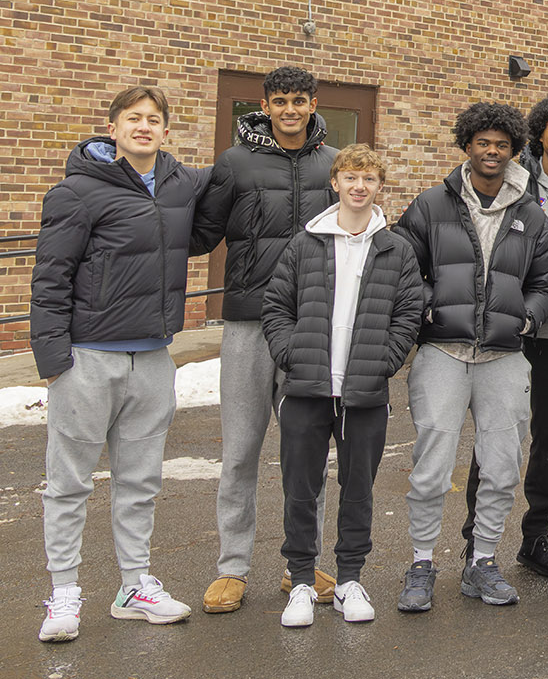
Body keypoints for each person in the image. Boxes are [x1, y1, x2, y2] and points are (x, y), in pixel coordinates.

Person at [33, 86, 206, 642]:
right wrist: (54, 358)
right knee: (69, 483)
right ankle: (63, 593)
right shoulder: (78, 191)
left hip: (154, 357)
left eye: (154, 119)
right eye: (133, 118)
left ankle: (134, 586)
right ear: (112, 127)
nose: (144, 126)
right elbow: (50, 275)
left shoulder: (180, 185)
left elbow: (231, 186)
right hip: (88, 358)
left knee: (139, 480)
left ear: (165, 130)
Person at [393, 103, 548, 612]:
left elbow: (545, 281)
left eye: (502, 145)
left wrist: (526, 319)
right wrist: (429, 311)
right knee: (431, 465)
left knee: (502, 465)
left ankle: (482, 560)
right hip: (443, 351)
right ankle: (422, 561)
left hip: (505, 357)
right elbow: (402, 264)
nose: (492, 152)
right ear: (467, 146)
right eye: (483, 143)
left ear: (514, 151)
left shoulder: (531, 214)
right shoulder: (431, 204)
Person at [194, 66, 340, 614]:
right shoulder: (234, 163)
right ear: (265, 104)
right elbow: (200, 230)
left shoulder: (333, 164)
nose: (290, 109)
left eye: (299, 100)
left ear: (311, 103)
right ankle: (232, 567)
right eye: (280, 101)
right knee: (240, 450)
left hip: (311, 325)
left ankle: (302, 564)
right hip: (249, 322)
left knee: (307, 452)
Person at [262, 144, 424, 628]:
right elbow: (276, 307)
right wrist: (291, 355)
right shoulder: (306, 242)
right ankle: (303, 581)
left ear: (379, 187)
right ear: (335, 183)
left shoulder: (396, 250)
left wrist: (384, 362)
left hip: (365, 395)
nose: (359, 186)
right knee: (299, 489)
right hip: (307, 390)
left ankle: (350, 578)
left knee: (358, 490)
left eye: (369, 179)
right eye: (351, 177)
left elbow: (408, 314)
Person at [456, 91, 548, 579]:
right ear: (538, 133)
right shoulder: (517, 182)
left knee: (547, 440)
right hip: (513, 329)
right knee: (496, 438)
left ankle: (536, 534)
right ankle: (476, 539)